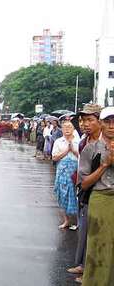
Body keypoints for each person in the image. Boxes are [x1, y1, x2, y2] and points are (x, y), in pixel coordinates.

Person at [78, 106, 114, 286]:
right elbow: (83, 183)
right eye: (107, 122)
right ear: (101, 124)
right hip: (100, 199)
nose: (112, 126)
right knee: (98, 247)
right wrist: (104, 165)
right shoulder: (90, 149)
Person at [66, 104, 102, 284]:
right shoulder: (84, 141)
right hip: (84, 190)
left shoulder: (105, 142)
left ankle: (91, 271)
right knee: (84, 229)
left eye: (90, 120)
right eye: (83, 120)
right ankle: (82, 264)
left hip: (99, 191)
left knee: (96, 234)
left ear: (100, 121)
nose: (85, 124)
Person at [52, 121, 79, 229]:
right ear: (62, 129)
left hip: (75, 171)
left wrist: (73, 150)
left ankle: (78, 222)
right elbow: (54, 157)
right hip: (62, 171)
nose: (67, 129)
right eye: (65, 127)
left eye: (69, 127)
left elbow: (83, 156)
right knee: (62, 195)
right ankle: (66, 220)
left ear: (73, 129)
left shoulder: (79, 141)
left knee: (76, 195)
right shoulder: (58, 141)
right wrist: (67, 151)